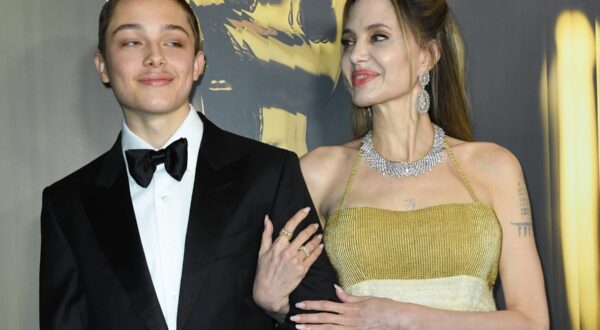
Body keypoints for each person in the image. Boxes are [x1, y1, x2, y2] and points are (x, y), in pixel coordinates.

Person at [39, 0, 338, 329]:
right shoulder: (67, 204)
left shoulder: (270, 172)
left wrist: (276, 307)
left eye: (173, 42)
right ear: (103, 67)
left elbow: (324, 318)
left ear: (198, 63)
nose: (155, 57)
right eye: (131, 42)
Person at [253, 0, 550, 328]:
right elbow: (314, 315)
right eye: (349, 42)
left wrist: (401, 316)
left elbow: (532, 322)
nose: (356, 56)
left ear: (428, 55)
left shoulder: (494, 168)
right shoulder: (319, 172)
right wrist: (273, 303)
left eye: (378, 37)